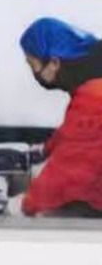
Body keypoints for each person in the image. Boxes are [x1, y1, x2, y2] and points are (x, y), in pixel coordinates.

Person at [19, 17, 102, 217]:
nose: (34, 73)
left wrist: (26, 206)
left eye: (33, 65)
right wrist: (44, 150)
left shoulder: (93, 98)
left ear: (54, 63)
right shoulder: (92, 85)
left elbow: (64, 175)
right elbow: (76, 133)